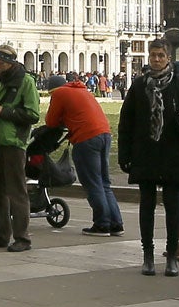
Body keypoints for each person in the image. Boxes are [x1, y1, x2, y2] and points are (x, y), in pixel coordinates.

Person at [118, 39, 179, 277]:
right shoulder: (139, 86)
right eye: (153, 55)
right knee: (146, 205)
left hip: (173, 151)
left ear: (168, 58)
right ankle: (147, 255)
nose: (156, 59)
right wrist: (124, 154)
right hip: (146, 151)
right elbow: (126, 122)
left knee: (172, 205)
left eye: (161, 55)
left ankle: (171, 256)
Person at [0, 43, 40, 252]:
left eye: (1, 63)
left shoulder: (26, 81)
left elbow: (32, 115)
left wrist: (4, 112)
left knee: (16, 192)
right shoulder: (0, 83)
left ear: (11, 63)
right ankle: (1, 233)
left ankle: (22, 237)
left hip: (14, 143)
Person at [45, 73, 123, 234]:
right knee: (104, 182)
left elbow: (51, 121)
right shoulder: (82, 90)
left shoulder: (60, 93)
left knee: (92, 181)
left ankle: (102, 223)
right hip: (104, 134)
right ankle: (116, 223)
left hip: (86, 138)